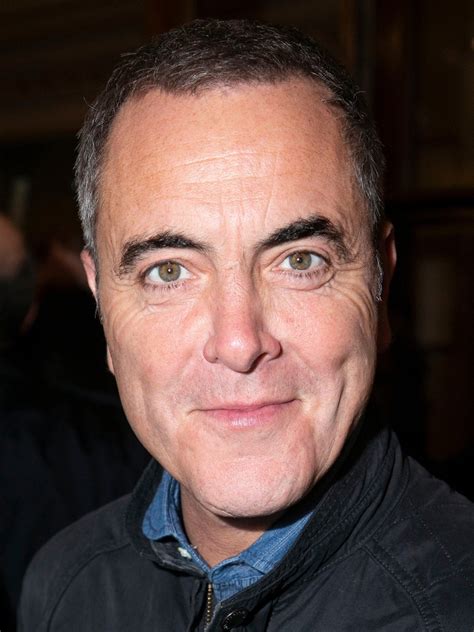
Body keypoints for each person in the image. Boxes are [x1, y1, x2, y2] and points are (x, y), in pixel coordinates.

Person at [19, 19, 473, 631]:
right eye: (168, 272)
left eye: (300, 261)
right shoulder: (63, 588)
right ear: (101, 303)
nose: (239, 343)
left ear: (381, 283)